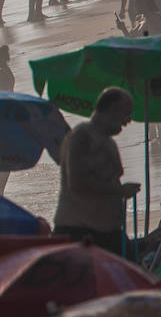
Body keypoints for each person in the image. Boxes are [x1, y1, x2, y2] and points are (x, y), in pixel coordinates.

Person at [53, 87, 140, 253]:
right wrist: (119, 190)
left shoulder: (109, 142)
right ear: (112, 109)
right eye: (126, 113)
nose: (128, 120)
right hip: (80, 233)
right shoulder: (82, 136)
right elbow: (77, 182)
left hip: (108, 233)